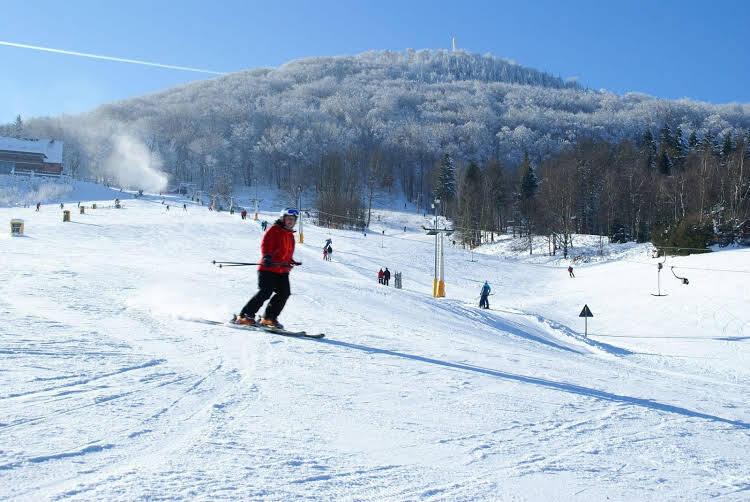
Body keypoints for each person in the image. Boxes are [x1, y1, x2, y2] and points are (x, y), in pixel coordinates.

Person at [235, 208, 301, 328]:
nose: (291, 221)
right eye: (288, 219)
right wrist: (267, 257)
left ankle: (269, 318)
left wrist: (291, 262)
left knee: (284, 293)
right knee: (265, 292)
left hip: (282, 270)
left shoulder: (290, 236)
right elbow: (266, 244)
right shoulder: (275, 230)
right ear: (283, 219)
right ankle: (245, 316)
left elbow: (286, 253)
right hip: (268, 268)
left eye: (293, 219)